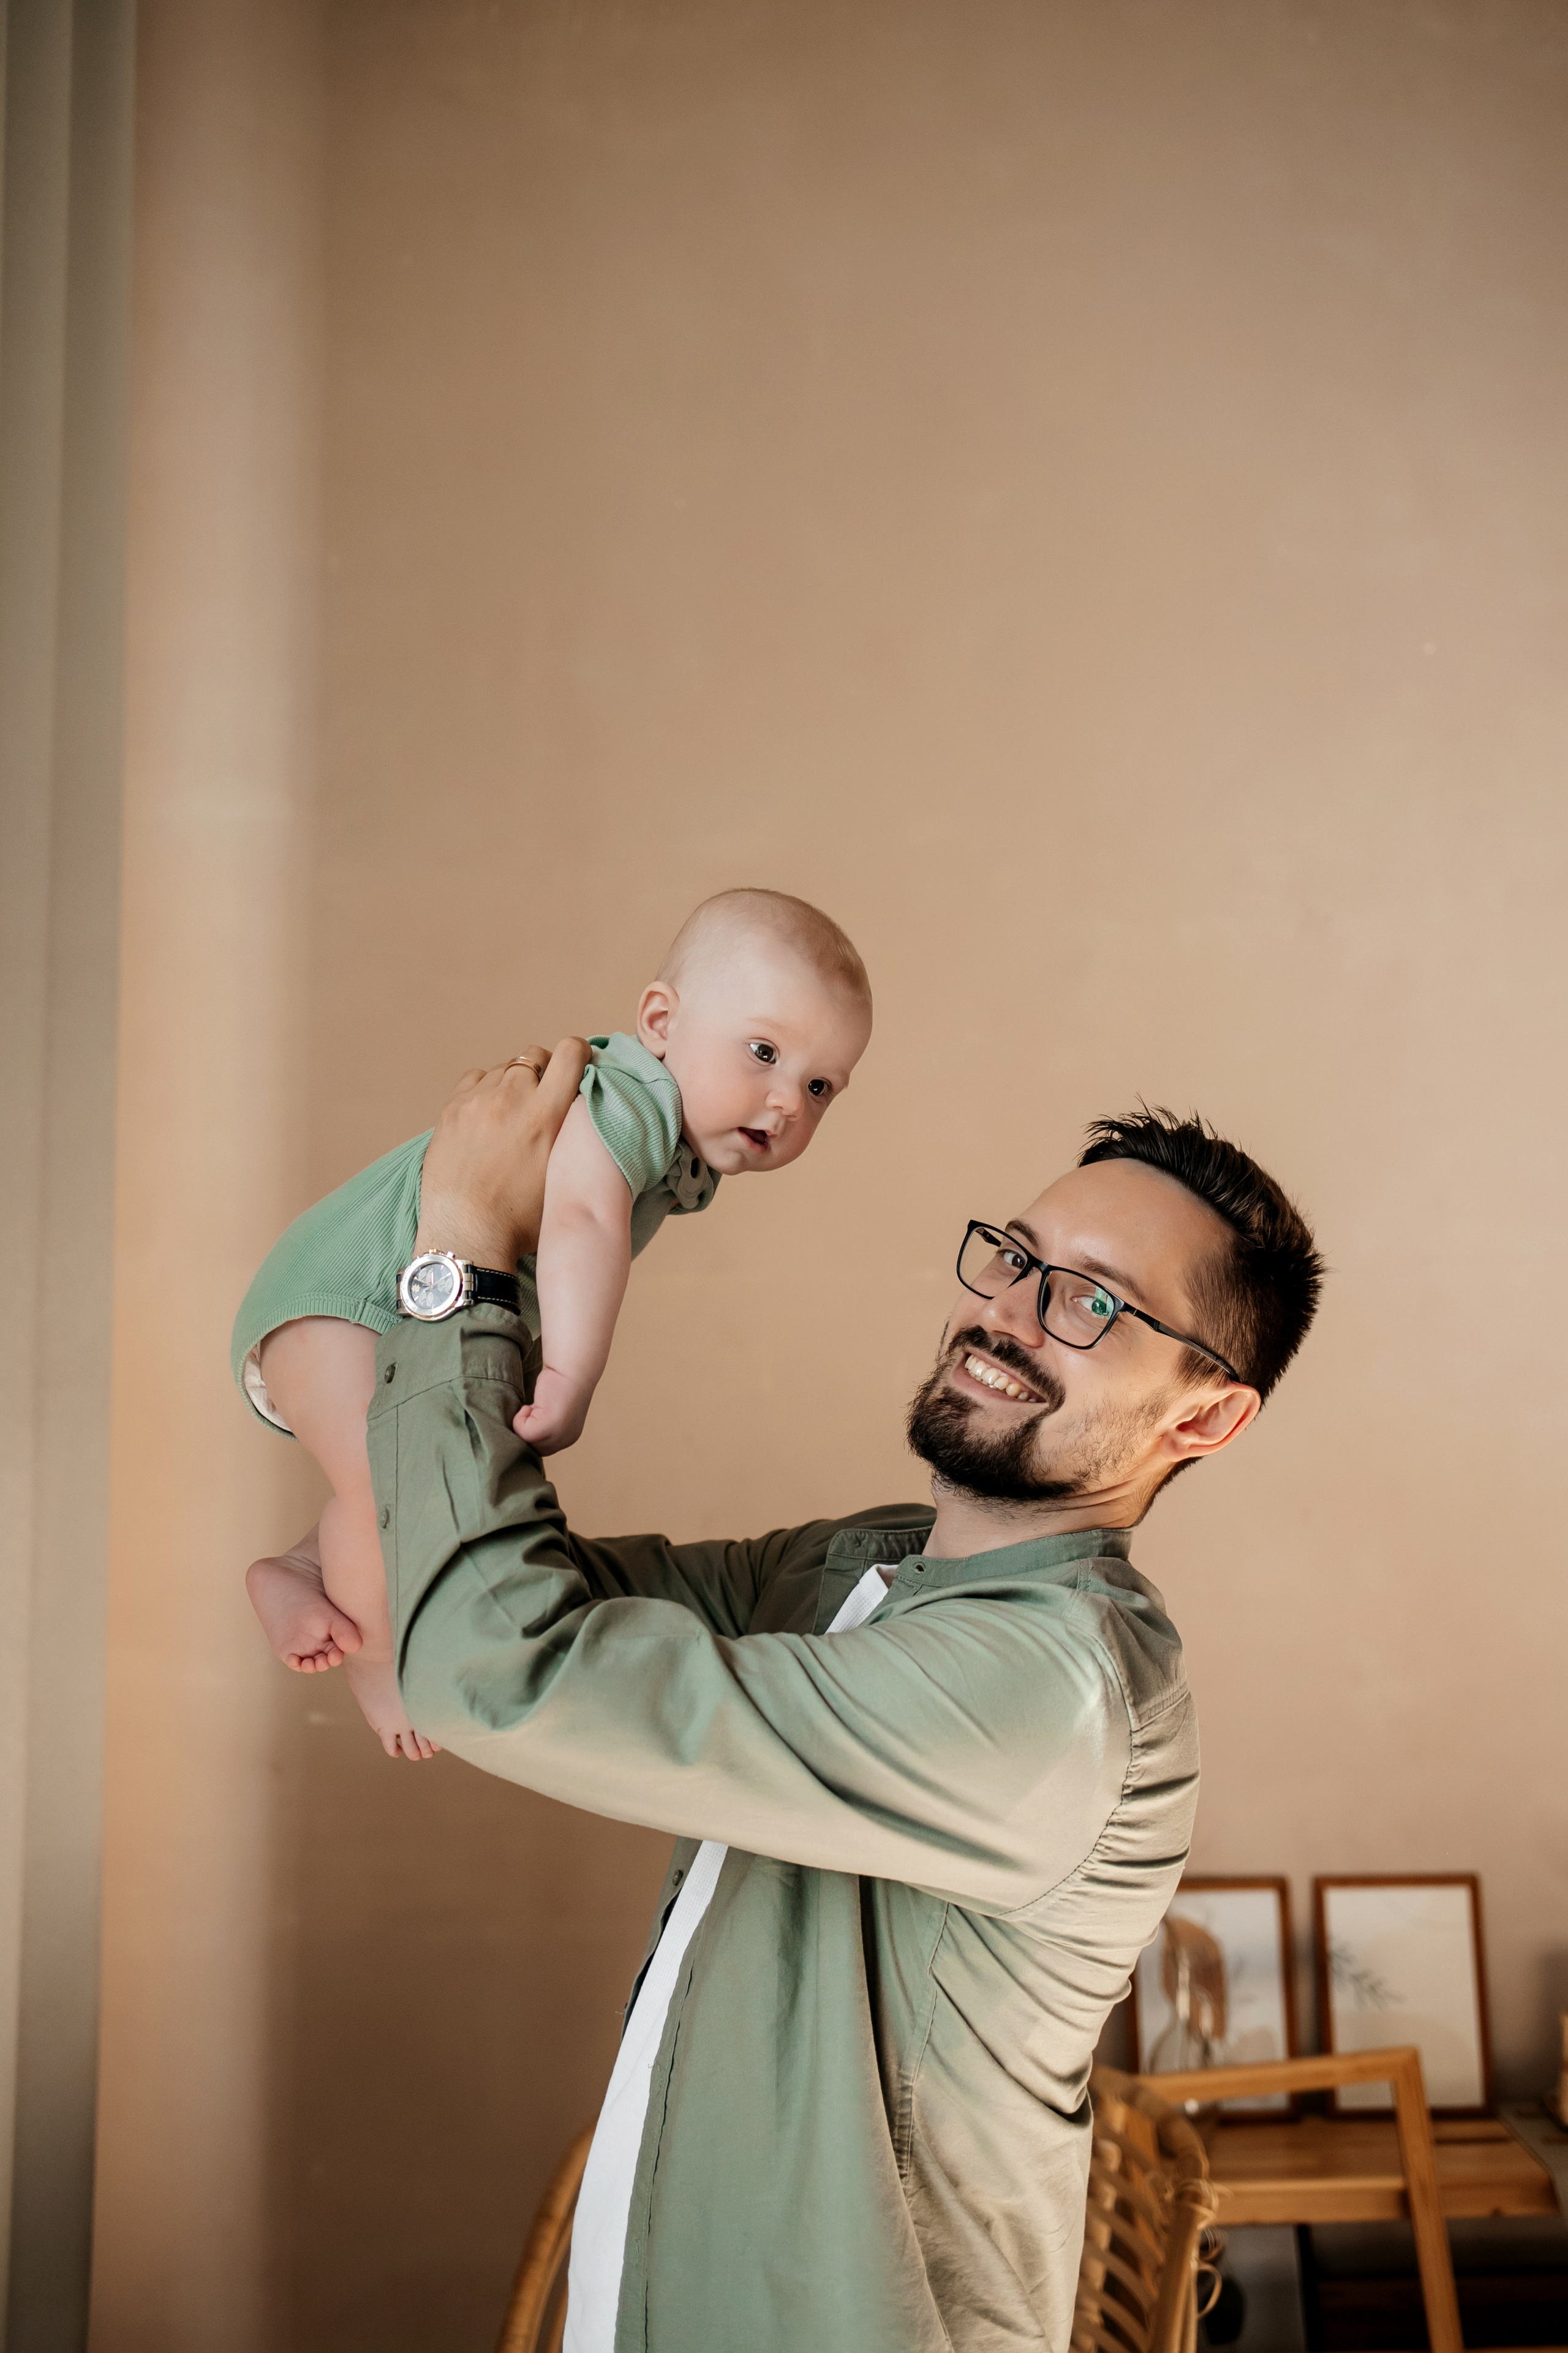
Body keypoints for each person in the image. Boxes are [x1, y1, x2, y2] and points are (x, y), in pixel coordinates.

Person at [369, 1046, 1323, 2353]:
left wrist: (463, 1256)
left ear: (1204, 1418)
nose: (1007, 1313)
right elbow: (496, 1588)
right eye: (1013, 1259)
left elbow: (496, 1662)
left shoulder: (1043, 1690)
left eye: (1092, 1304)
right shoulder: (860, 1564)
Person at [230, 889, 872, 1759]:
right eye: (763, 1051)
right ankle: (382, 1658)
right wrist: (568, 1373)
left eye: (820, 1085)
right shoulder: (631, 1100)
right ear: (661, 1019)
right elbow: (583, 1222)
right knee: (400, 1497)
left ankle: (305, 1568)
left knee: (399, 1478)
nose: (788, 1101)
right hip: (353, 1293)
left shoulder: (674, 1130)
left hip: (379, 1297)